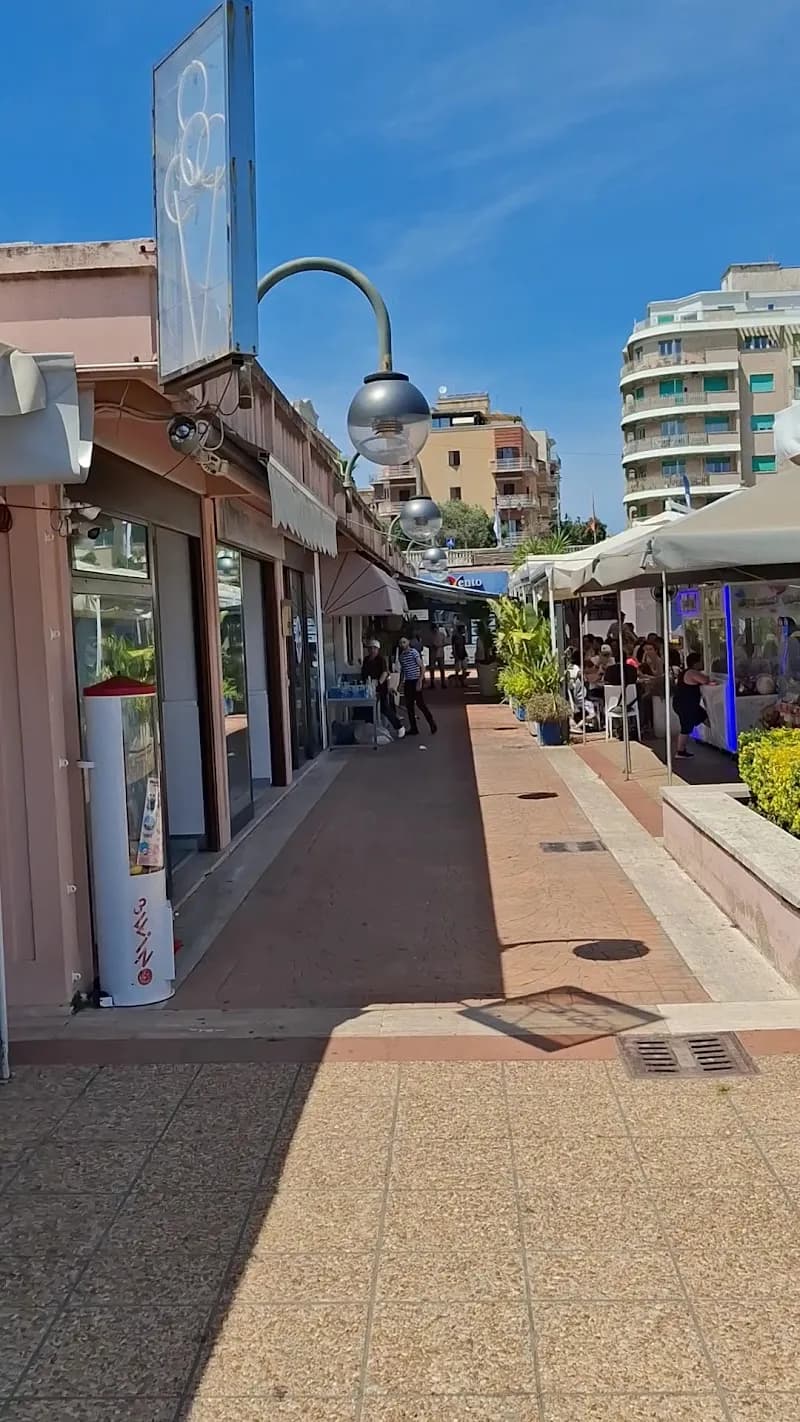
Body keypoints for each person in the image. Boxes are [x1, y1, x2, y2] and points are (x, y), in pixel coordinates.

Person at [672, 651, 712, 759]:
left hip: (687, 704)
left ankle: (717, 737)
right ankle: (680, 751)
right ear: (696, 663)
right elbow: (705, 680)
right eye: (701, 661)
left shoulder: (685, 672)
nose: (702, 663)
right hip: (686, 705)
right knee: (686, 727)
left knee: (703, 717)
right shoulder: (691, 672)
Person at [361, 639, 405, 738]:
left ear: (378, 649)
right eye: (370, 648)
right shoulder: (366, 659)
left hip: (380, 687)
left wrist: (378, 682)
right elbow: (364, 673)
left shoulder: (381, 659)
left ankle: (399, 726)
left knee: (384, 708)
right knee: (368, 707)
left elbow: (385, 672)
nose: (372, 650)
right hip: (368, 687)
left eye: (374, 648)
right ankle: (370, 729)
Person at [398, 636, 437, 736]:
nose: (402, 644)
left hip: (415, 680)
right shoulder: (401, 656)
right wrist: (400, 683)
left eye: (404, 642)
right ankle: (413, 728)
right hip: (408, 682)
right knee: (409, 706)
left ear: (408, 642)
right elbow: (403, 671)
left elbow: (422, 667)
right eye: (401, 643)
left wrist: (420, 680)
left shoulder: (414, 652)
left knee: (420, 704)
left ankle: (432, 723)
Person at [429, 623, 447, 689]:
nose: (435, 630)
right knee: (432, 668)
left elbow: (445, 642)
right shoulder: (431, 635)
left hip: (439, 653)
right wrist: (433, 646)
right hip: (433, 654)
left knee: (441, 669)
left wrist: (439, 645)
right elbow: (429, 644)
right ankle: (432, 683)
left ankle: (443, 683)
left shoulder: (442, 635)